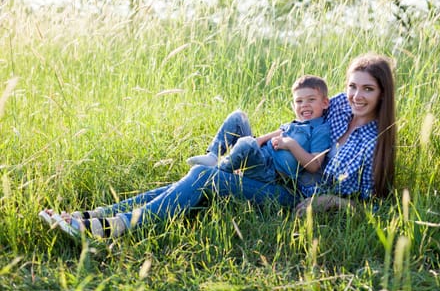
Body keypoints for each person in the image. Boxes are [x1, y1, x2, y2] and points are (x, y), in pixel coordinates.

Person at [39, 53, 396, 239]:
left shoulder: (373, 140)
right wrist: (268, 139)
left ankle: (114, 227)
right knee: (202, 174)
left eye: (368, 89)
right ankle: (95, 215)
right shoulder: (337, 108)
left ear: (382, 94)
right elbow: (300, 120)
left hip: (290, 197)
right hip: (273, 172)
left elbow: (371, 203)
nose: (357, 96)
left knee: (203, 176)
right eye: (353, 86)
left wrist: (330, 200)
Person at [186, 75, 331, 186]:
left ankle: (218, 171)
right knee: (238, 117)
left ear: (325, 103)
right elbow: (280, 131)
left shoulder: (320, 130)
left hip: (269, 171)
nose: (304, 105)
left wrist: (290, 144)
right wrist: (260, 140)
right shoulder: (298, 122)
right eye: (299, 101)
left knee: (246, 144)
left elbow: (314, 165)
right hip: (260, 154)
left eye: (311, 100)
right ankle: (213, 155)